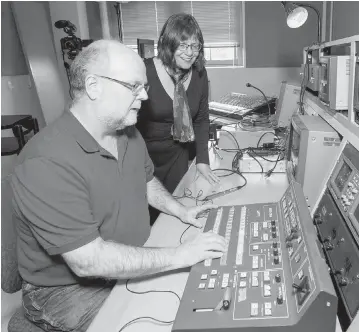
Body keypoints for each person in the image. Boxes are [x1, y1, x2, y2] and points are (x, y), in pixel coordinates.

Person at [10, 39, 227, 332]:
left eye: (144, 87)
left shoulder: (127, 132)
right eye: (134, 86)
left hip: (122, 261)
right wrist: (180, 255)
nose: (145, 97)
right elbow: (89, 261)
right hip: (64, 289)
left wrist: (180, 210)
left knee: (202, 296)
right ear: (94, 86)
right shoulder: (45, 162)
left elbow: (146, 180)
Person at [136, 13, 220, 202]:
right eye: (182, 45)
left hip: (178, 154)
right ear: (168, 43)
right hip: (144, 157)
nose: (190, 52)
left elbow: (201, 120)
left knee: (176, 210)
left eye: (195, 45)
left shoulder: (199, 73)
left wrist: (203, 161)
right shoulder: (143, 71)